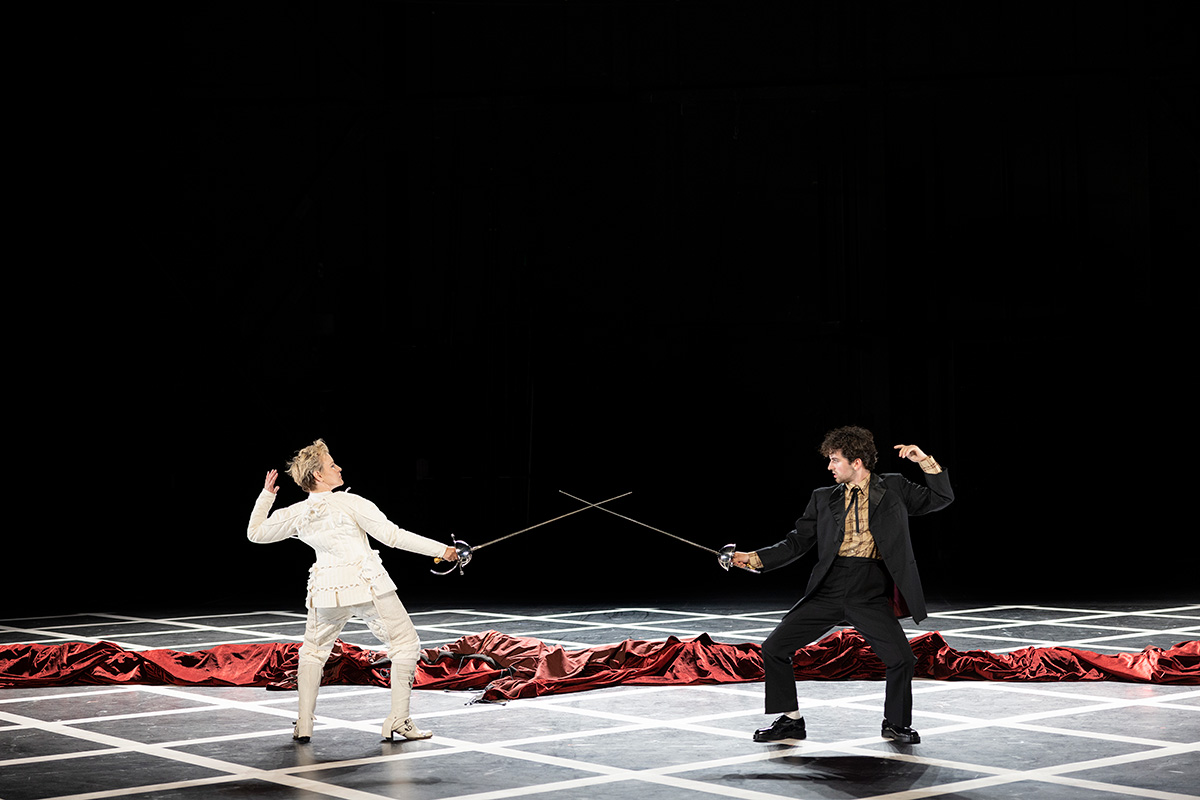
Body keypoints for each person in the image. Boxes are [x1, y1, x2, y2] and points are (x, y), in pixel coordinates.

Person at [733, 425, 953, 745]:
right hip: (830, 586)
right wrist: (753, 558)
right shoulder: (823, 498)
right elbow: (796, 543)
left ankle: (895, 723)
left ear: (857, 462)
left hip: (869, 589)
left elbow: (941, 497)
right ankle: (791, 721)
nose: (830, 467)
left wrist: (924, 461)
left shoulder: (893, 487)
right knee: (774, 648)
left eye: (835, 460)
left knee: (902, 659)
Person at [247, 439, 458, 742]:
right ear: (318, 475)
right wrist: (443, 550)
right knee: (406, 644)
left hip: (325, 591)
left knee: (312, 652)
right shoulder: (351, 502)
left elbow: (255, 533)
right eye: (332, 465)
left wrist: (267, 496)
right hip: (366, 584)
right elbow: (393, 536)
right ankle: (398, 719)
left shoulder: (297, 512)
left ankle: (304, 723)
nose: (339, 468)